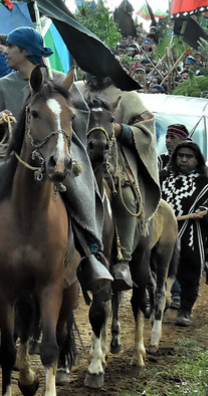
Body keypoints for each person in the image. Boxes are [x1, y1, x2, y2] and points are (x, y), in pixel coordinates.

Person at [0, 26, 111, 290]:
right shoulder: (0, 88)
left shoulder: (59, 82)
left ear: (25, 51)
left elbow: (80, 121)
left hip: (57, 151)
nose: (4, 53)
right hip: (12, 156)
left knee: (81, 186)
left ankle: (90, 251)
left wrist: (61, 138)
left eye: (10, 47)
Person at [76, 71, 160, 290]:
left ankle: (123, 261)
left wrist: (120, 129)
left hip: (115, 163)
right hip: (77, 159)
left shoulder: (128, 97)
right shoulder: (74, 90)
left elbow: (147, 129)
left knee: (125, 196)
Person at [161, 141, 208, 327]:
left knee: (190, 272)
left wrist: (205, 210)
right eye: (180, 156)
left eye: (189, 156)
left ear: (197, 159)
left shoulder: (207, 184)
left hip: (191, 235)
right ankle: (158, 304)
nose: (184, 160)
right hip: (161, 232)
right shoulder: (162, 177)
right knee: (154, 269)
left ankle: (185, 309)